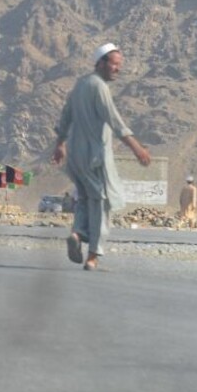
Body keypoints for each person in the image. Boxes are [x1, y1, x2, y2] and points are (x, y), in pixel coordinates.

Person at [51, 43, 151, 271]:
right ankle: (93, 257)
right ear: (101, 63)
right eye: (114, 64)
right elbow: (114, 120)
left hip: (76, 155)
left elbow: (65, 116)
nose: (117, 69)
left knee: (85, 199)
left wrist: (60, 144)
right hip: (95, 155)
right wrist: (137, 148)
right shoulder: (99, 87)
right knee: (102, 203)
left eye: (119, 65)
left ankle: (77, 234)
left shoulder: (80, 85)